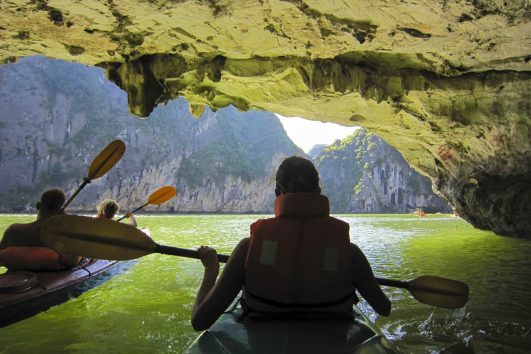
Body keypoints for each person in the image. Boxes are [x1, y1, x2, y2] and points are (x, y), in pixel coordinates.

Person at [191, 156, 391, 331]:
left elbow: (199, 321)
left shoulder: (248, 248)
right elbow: (384, 308)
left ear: (278, 193)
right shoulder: (349, 253)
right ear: (318, 192)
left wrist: (211, 270)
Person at [0, 188, 81, 271]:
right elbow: (73, 260)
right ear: (62, 210)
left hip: (15, 278)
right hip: (52, 277)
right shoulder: (64, 233)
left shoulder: (14, 230)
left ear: (38, 205)